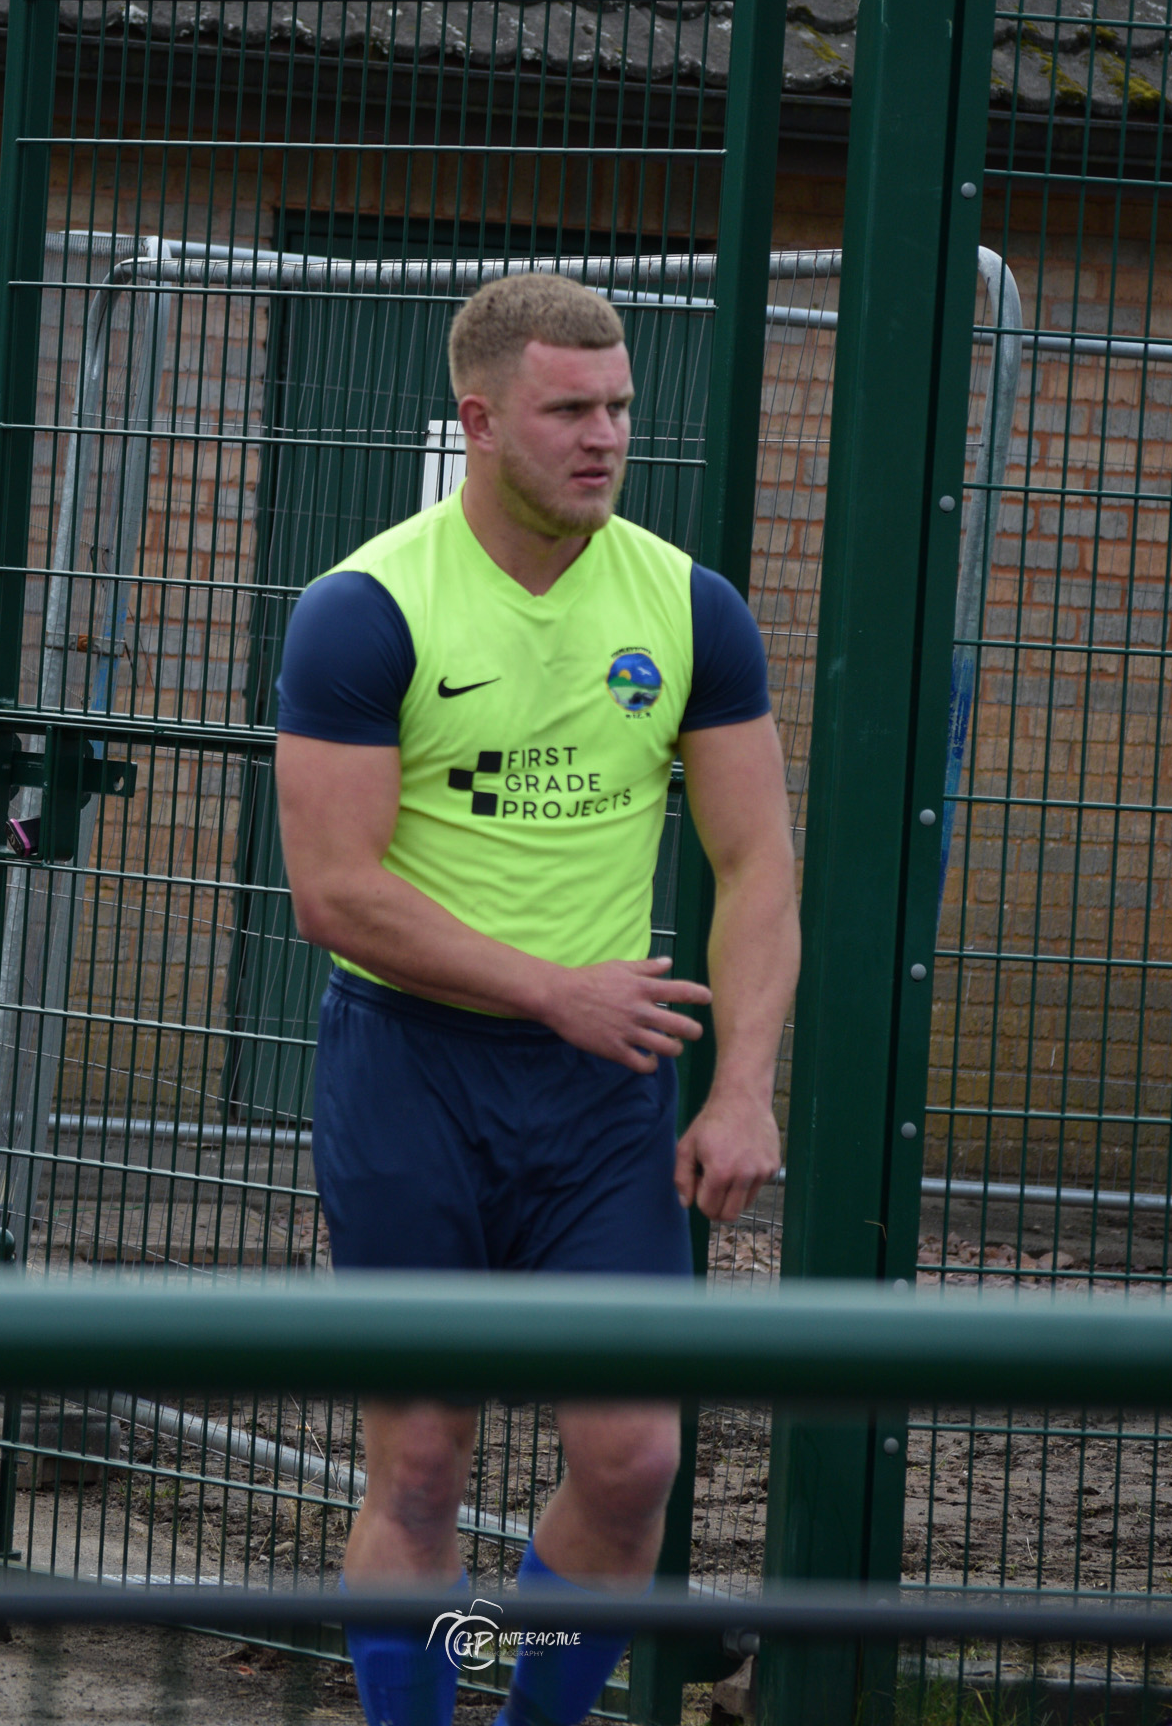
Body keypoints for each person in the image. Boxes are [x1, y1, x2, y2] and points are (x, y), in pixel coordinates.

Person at [275, 273, 799, 1726]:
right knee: (423, 1461)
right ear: (482, 418)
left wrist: (744, 1085)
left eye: (621, 407)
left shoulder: (690, 606)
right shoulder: (366, 608)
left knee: (634, 1462)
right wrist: (547, 987)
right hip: (408, 1075)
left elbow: (758, 862)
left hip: (599, 1099)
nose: (605, 436)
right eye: (571, 409)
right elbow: (336, 889)